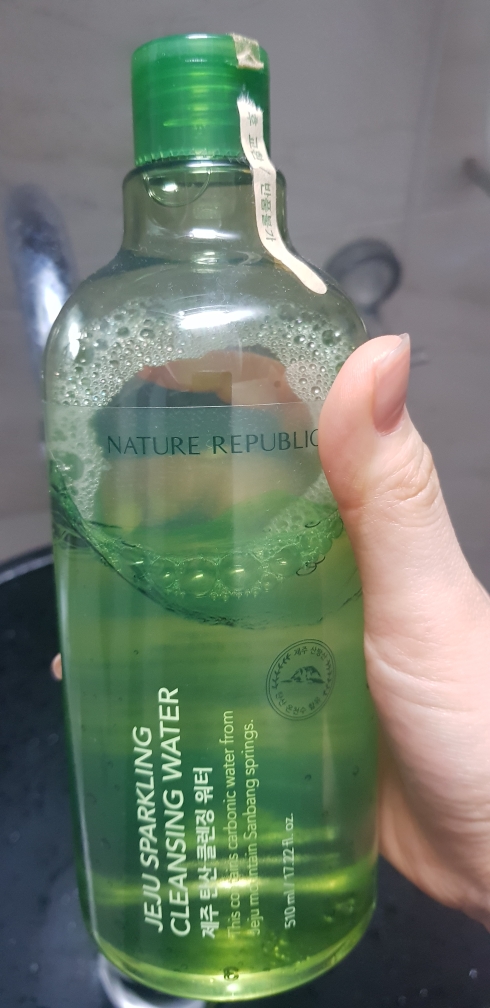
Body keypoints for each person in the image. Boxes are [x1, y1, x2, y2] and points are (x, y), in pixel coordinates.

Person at [51, 333, 490, 929]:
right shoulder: (96, 338)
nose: (125, 496)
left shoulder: (285, 518)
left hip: (313, 845)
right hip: (168, 863)